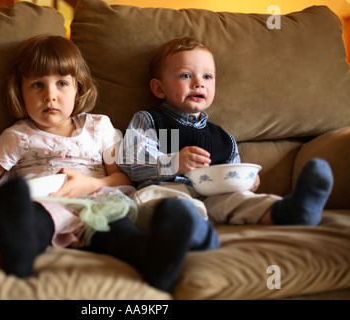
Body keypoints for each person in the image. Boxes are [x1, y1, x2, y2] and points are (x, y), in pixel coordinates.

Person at [0, 34, 194, 292]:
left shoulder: (99, 127)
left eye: (61, 83)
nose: (50, 95)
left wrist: (91, 185)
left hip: (98, 200)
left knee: (117, 230)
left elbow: (122, 177)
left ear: (78, 88)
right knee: (36, 219)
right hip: (47, 200)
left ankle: (155, 261)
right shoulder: (16, 136)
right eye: (38, 85)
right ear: (20, 91)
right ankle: (20, 253)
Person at [119, 36, 333, 245]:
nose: (198, 84)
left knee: (240, 200)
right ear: (159, 88)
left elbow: (232, 173)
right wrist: (174, 162)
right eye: (186, 75)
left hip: (214, 196)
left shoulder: (223, 137)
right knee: (168, 202)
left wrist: (247, 181)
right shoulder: (149, 120)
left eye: (207, 77)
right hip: (167, 189)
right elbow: (131, 162)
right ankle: (192, 230)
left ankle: (291, 211)